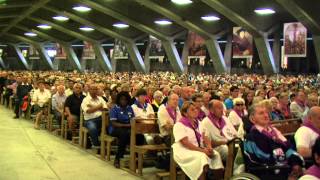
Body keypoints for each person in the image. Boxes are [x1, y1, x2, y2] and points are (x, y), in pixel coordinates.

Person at [244, 103, 303, 179]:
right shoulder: (252, 136)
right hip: (267, 172)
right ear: (252, 119)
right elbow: (264, 158)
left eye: (266, 113)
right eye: (261, 113)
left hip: (284, 167)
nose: (266, 115)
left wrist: (295, 163)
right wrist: (288, 168)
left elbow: (287, 147)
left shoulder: (274, 131)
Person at [172, 102, 224, 180]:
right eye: (192, 110)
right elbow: (185, 143)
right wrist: (203, 151)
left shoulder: (198, 123)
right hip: (184, 151)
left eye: (196, 108)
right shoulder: (179, 125)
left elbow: (205, 136)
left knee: (216, 154)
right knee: (202, 157)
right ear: (185, 113)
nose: (196, 111)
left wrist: (209, 147)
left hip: (198, 148)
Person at [109, 91, 143, 168]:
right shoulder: (115, 108)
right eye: (122, 99)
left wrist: (136, 120)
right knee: (124, 134)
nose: (123, 101)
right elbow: (114, 123)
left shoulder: (129, 108)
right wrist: (127, 125)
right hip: (115, 128)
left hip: (128, 128)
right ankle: (118, 158)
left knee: (139, 135)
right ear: (119, 100)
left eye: (125, 100)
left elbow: (132, 119)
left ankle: (137, 158)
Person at [81, 84, 107, 149]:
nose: (94, 91)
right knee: (93, 128)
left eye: (95, 89)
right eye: (92, 89)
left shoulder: (100, 99)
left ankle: (107, 144)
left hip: (102, 118)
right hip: (89, 119)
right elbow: (88, 111)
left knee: (109, 124)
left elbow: (105, 109)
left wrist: (93, 107)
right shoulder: (86, 100)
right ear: (89, 90)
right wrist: (99, 106)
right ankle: (97, 145)